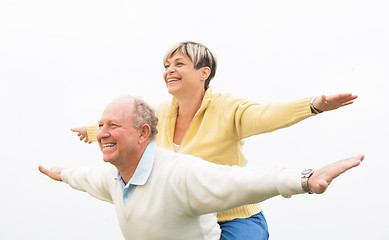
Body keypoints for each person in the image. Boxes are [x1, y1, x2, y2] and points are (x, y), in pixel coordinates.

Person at [71, 41, 358, 239]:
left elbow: (266, 115)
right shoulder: (162, 114)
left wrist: (314, 105)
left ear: (203, 73)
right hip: (190, 217)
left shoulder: (227, 108)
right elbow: (132, 130)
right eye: (167, 65)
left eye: (179, 64)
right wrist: (96, 131)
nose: (169, 69)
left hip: (235, 218)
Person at [40, 96, 364, 240]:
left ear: (142, 134)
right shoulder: (113, 177)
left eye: (112, 125)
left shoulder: (180, 174)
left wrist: (305, 179)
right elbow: (84, 176)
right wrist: (62, 174)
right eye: (100, 125)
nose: (103, 132)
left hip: (240, 222)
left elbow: (239, 180)